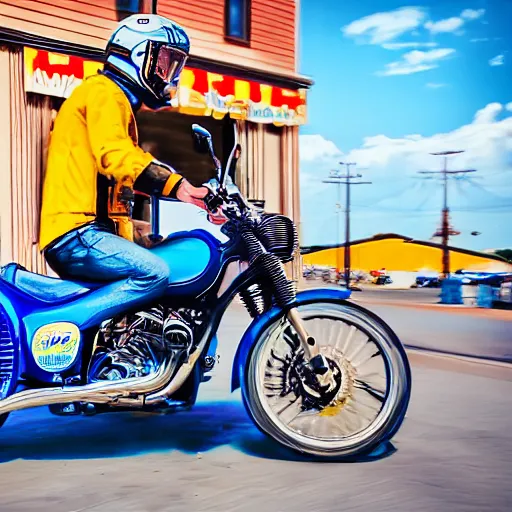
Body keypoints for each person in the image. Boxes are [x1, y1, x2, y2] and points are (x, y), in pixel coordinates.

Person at [39, 14, 223, 380]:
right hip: (76, 234)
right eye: (166, 61)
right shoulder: (104, 92)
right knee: (154, 274)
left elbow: (111, 187)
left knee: (166, 249)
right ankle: (59, 328)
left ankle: (142, 354)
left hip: (89, 230)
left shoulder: (115, 101)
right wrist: (181, 186)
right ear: (139, 55)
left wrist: (142, 232)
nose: (170, 73)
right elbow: (116, 156)